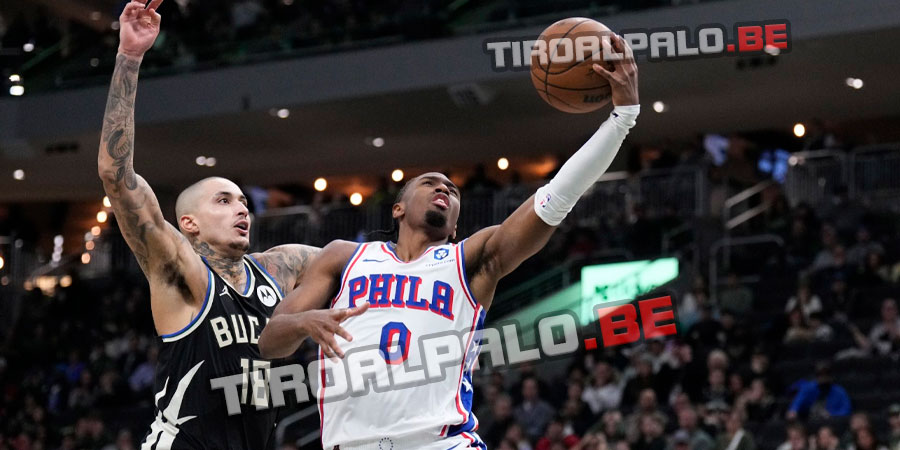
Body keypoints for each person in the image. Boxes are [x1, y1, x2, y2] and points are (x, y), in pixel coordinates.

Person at [258, 35, 641, 450]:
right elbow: (270, 341)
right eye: (429, 183)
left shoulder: (469, 261)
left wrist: (623, 118)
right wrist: (304, 322)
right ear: (397, 209)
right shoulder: (344, 257)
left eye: (452, 190)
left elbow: (556, 199)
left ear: (456, 226)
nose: (443, 188)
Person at [98, 2, 318, 447]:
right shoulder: (183, 271)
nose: (241, 209)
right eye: (224, 200)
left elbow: (356, 261)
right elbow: (116, 176)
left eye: (243, 202)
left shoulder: (278, 268)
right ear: (189, 223)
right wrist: (129, 58)